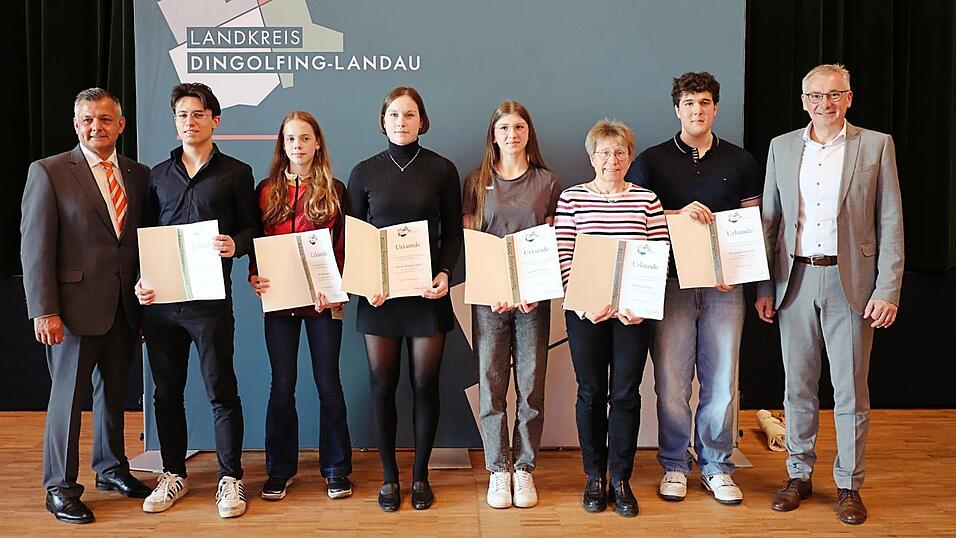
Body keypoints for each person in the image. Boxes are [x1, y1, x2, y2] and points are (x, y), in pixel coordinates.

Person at [756, 63, 904, 525]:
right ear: (804, 101)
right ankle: (798, 475)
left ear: (849, 98)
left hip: (853, 285)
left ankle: (848, 484)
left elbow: (891, 223)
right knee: (796, 388)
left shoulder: (876, 145)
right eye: (816, 96)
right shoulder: (781, 147)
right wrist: (764, 286)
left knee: (850, 392)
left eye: (835, 95)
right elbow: (769, 221)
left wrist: (888, 288)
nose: (825, 103)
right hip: (793, 282)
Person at [624, 72, 762, 505]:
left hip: (725, 288)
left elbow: (753, 226)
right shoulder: (651, 160)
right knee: (671, 382)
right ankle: (674, 464)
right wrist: (678, 214)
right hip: (670, 286)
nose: (696, 110)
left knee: (722, 382)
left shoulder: (741, 161)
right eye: (688, 103)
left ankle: (717, 465)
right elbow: (635, 220)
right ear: (676, 109)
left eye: (704, 103)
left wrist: (745, 276)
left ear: (715, 108)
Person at [20, 87, 151, 524]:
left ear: (121, 125)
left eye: (105, 119)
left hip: (124, 308)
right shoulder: (50, 172)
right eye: (88, 120)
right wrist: (44, 309)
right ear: (77, 126)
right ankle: (59, 487)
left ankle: (111, 469)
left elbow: (139, 244)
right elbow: (35, 248)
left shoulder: (138, 174)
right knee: (68, 402)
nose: (97, 127)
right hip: (72, 311)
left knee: (113, 396)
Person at [135, 82, 259, 518]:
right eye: (182, 115)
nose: (190, 122)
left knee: (221, 390)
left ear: (215, 120)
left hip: (210, 301)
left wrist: (235, 244)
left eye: (198, 114)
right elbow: (143, 238)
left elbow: (253, 230)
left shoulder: (237, 172)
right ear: (175, 122)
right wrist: (139, 283)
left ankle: (230, 479)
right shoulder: (156, 175)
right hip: (163, 304)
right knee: (166, 393)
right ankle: (173, 473)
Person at [347, 86, 463, 512]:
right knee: (382, 386)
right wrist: (365, 282)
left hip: (426, 292)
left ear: (422, 121)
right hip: (379, 298)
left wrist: (446, 274)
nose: (401, 122)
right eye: (394, 115)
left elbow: (452, 233)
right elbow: (355, 238)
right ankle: (390, 478)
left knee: (424, 385)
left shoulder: (441, 169)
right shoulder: (363, 172)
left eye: (409, 115)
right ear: (383, 121)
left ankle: (419, 477)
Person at [554, 119, 668, 517]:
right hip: (586, 313)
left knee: (625, 395)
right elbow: (563, 255)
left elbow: (659, 254)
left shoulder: (647, 200)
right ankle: (594, 476)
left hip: (633, 315)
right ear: (592, 156)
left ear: (630, 157)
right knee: (590, 393)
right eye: (604, 152)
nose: (612, 159)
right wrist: (583, 302)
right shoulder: (571, 198)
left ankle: (621, 478)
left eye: (620, 152)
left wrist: (642, 302)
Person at [248, 111, 353, 501]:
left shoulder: (335, 190)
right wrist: (254, 274)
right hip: (279, 304)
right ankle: (279, 470)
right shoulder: (266, 190)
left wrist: (337, 285)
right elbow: (257, 244)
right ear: (282, 145)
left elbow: (342, 246)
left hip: (324, 303)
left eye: (305, 138)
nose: (298, 146)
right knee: (282, 387)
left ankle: (336, 469)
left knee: (329, 385)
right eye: (291, 139)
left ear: (317, 143)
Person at [462, 101, 561, 509]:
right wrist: (495, 287)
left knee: (532, 382)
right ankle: (498, 468)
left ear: (528, 134)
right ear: (494, 134)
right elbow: (472, 242)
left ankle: (524, 468)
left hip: (533, 299)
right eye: (504, 128)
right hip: (490, 299)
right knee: (491, 382)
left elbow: (555, 239)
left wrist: (532, 289)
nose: (512, 135)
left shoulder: (548, 181)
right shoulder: (475, 181)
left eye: (519, 127)